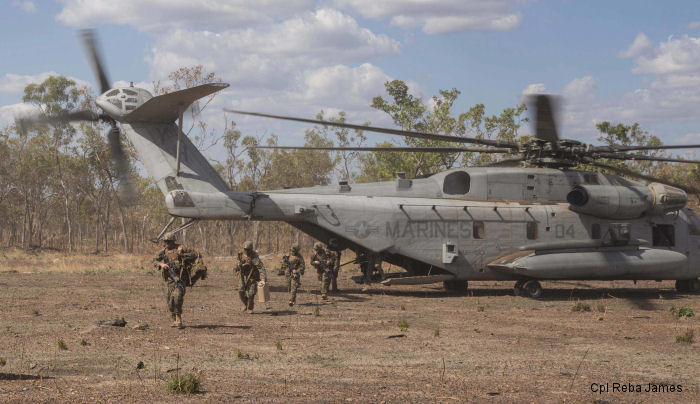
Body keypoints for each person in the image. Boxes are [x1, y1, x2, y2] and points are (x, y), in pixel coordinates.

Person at [153, 231, 202, 329]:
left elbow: (196, 254)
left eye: (168, 242)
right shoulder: (163, 252)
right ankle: (174, 319)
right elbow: (155, 260)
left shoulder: (181, 248)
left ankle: (178, 318)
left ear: (173, 242)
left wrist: (182, 253)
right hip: (169, 279)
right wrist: (162, 264)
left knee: (178, 296)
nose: (166, 244)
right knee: (170, 301)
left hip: (180, 278)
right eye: (165, 242)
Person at [235, 240, 267, 313]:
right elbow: (236, 266)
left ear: (251, 249)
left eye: (247, 249)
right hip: (243, 276)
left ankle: (250, 307)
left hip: (252, 276)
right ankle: (245, 303)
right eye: (245, 249)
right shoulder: (240, 254)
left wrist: (263, 278)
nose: (246, 251)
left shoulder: (254, 256)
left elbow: (261, 267)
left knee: (251, 294)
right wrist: (237, 268)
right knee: (241, 291)